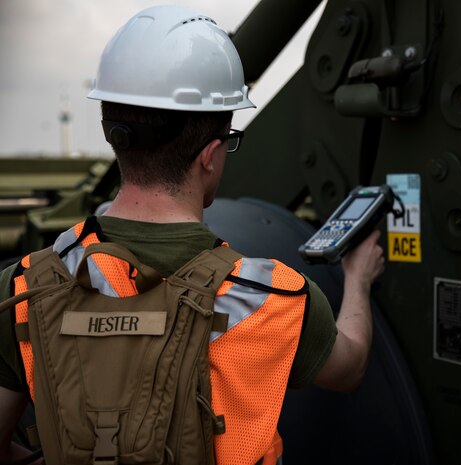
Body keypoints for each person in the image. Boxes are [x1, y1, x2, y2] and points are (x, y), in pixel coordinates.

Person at [0, 5, 384, 465]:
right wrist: (358, 281)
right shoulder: (275, 300)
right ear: (210, 154)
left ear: (112, 133)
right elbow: (351, 366)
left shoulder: (24, 288)